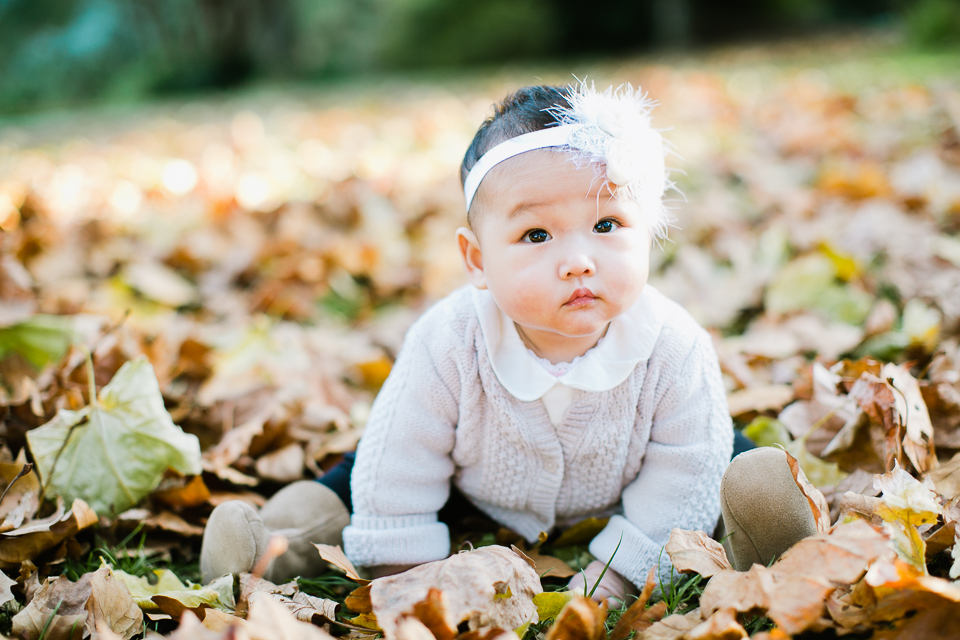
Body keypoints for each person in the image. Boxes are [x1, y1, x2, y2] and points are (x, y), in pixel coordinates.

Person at [199, 82, 816, 601]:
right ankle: (269, 544)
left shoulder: (672, 345)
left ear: (647, 230)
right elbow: (401, 465)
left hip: (636, 484)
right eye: (537, 235)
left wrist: (618, 577)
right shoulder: (447, 343)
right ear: (477, 260)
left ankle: (762, 524)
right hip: (473, 485)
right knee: (365, 476)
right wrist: (406, 573)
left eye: (607, 225)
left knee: (717, 459)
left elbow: (683, 470)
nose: (578, 260)